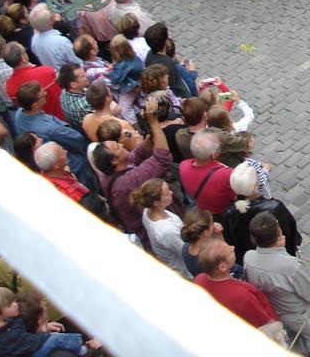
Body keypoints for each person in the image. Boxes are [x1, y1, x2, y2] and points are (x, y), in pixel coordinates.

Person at [244, 212, 310, 357]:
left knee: (294, 349)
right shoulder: (290, 266)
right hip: (303, 315)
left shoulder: (249, 257)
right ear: (279, 233)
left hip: (279, 313)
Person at [94, 92, 174, 244]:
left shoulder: (108, 174)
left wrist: (151, 134)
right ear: (114, 162)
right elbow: (163, 158)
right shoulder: (128, 182)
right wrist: (155, 122)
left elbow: (135, 156)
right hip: (155, 230)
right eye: (117, 147)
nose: (122, 144)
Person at [195, 239, 287, 345]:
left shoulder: (199, 279)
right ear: (222, 267)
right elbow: (266, 324)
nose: (232, 247)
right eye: (229, 251)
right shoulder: (242, 296)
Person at [13, 81, 97, 190]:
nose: (45, 93)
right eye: (42, 95)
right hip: (75, 165)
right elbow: (77, 140)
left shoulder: (20, 114)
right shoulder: (51, 129)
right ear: (35, 105)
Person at [221, 163, 301, 264]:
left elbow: (232, 241)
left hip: (250, 258)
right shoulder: (274, 207)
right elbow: (290, 231)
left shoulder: (229, 213)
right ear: (256, 185)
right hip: (277, 256)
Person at [0, 287, 97, 356]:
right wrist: (45, 335)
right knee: (55, 339)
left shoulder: (6, 326)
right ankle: (83, 348)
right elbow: (32, 342)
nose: (15, 304)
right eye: (9, 304)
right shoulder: (61, 354)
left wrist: (44, 328)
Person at [132, 178, 191, 277]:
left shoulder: (147, 211)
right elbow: (185, 252)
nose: (171, 193)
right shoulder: (167, 231)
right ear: (156, 203)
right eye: (167, 193)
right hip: (184, 271)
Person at [179, 129, 238, 215]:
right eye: (220, 146)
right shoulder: (226, 174)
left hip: (204, 208)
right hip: (224, 211)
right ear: (213, 155)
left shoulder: (183, 165)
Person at [28, 4, 79, 70]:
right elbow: (77, 61)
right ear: (50, 21)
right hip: (70, 74)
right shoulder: (61, 41)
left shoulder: (34, 39)